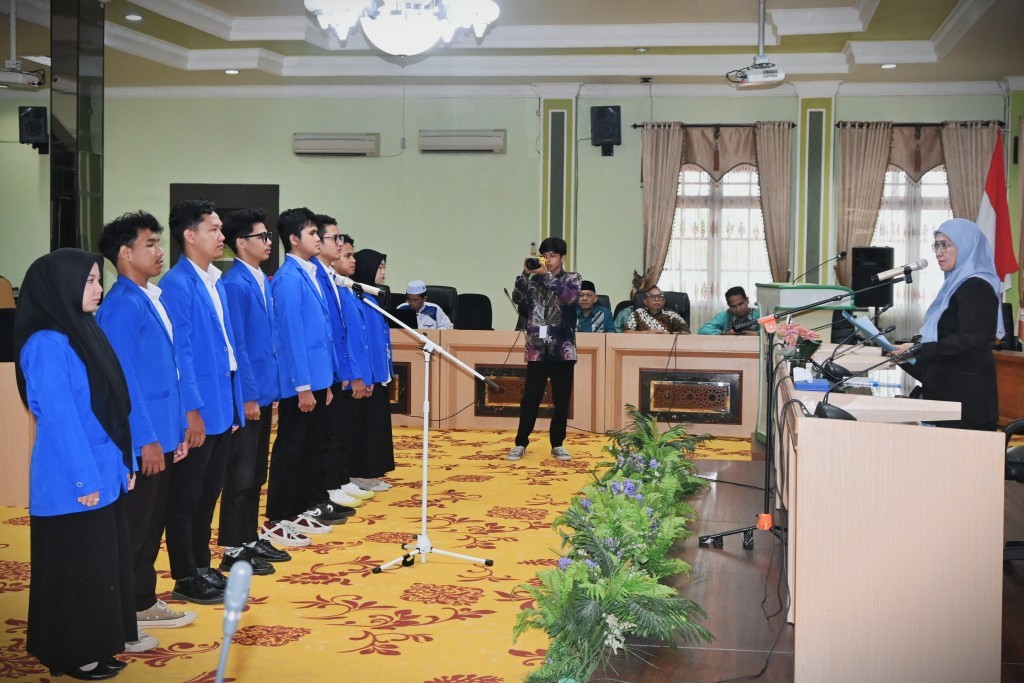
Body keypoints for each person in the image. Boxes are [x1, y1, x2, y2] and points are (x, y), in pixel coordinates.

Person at [15, 249, 136, 680]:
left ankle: (98, 646)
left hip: (102, 469)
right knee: (75, 571)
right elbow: (62, 420)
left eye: (98, 279)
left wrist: (122, 463)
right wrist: (85, 479)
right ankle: (72, 653)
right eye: (88, 281)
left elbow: (110, 408)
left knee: (101, 567)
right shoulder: (46, 343)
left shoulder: (83, 331)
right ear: (61, 286)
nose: (98, 289)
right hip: (71, 479)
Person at [96, 212, 194, 651]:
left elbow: (166, 372)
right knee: (135, 530)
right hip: (144, 438)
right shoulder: (121, 305)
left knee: (152, 525)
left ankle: (140, 601)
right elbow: (124, 382)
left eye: (158, 242)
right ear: (124, 254)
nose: (159, 251)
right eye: (150, 244)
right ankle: (117, 618)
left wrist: (177, 429)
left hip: (163, 433)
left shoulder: (147, 297)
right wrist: (145, 439)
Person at [160, 199, 245, 605]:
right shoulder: (177, 284)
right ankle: (185, 574)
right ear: (190, 235)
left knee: (209, 493)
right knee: (186, 498)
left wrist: (234, 404)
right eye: (213, 229)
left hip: (221, 404)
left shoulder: (215, 280)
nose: (222, 236)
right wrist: (190, 411)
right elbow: (182, 356)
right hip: (199, 410)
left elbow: (229, 350)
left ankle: (202, 564)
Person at [262, 208, 343, 548]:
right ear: (294, 239)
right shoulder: (288, 279)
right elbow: (292, 337)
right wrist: (304, 386)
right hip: (301, 384)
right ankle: (278, 517)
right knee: (291, 450)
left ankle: (298, 511)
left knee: (309, 449)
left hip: (317, 380)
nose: (317, 238)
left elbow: (322, 332)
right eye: (311, 233)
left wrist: (326, 381)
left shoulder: (308, 273)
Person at [219, 208, 293, 574]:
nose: (268, 242)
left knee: (255, 474)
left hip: (264, 391)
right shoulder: (235, 284)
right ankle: (233, 547)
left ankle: (248, 537)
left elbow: (272, 339)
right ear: (240, 243)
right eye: (261, 237)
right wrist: (247, 395)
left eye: (268, 236)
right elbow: (239, 345)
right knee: (241, 474)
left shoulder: (262, 279)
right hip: (248, 395)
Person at [888, 218, 1001, 431]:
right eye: (937, 245)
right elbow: (946, 334)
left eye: (945, 245)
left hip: (967, 401)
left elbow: (971, 340)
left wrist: (921, 350)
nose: (939, 252)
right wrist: (913, 348)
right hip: (949, 394)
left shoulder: (977, 287)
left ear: (966, 246)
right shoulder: (955, 284)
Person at [311, 216, 375, 513]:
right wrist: (348, 372)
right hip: (328, 372)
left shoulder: (342, 286)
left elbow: (350, 334)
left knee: (339, 433)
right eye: (335, 241)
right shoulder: (315, 278)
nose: (341, 249)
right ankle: (329, 486)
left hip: (340, 370)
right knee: (328, 435)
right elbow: (333, 334)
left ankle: (338, 481)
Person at [507, 237, 582, 462]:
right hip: (537, 350)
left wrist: (547, 275)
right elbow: (517, 298)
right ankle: (520, 443)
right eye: (545, 256)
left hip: (563, 350)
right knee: (530, 399)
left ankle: (557, 444)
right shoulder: (533, 281)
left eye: (553, 256)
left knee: (561, 400)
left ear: (562, 258)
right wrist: (525, 274)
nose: (548, 260)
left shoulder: (572, 278)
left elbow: (568, 297)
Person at [350, 248, 397, 492]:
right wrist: (365, 374)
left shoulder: (373, 297)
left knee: (377, 424)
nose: (384, 272)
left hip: (379, 372)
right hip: (366, 374)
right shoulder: (357, 298)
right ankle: (360, 473)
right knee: (363, 425)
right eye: (379, 267)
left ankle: (373, 471)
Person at [625, 287, 690, 334]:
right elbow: (627, 332)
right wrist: (646, 333)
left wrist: (666, 334)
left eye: (660, 296)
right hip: (642, 346)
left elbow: (686, 332)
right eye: (652, 296)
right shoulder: (638, 313)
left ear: (664, 301)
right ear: (645, 301)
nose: (656, 299)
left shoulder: (672, 315)